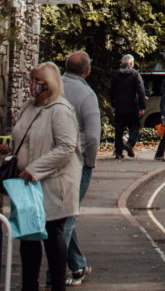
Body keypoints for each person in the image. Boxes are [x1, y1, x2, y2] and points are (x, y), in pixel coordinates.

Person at [12, 61, 83, 291]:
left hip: (52, 184)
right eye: (31, 80)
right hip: (27, 184)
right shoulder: (28, 106)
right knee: (28, 236)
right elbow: (22, 136)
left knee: (52, 235)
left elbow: (66, 147)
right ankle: (29, 286)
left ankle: (57, 285)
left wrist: (34, 170)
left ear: (49, 84)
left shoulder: (61, 110)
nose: (32, 85)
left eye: (37, 81)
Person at [60, 51, 100, 286]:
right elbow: (93, 136)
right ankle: (54, 273)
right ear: (86, 70)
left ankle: (77, 265)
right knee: (67, 217)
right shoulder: (86, 94)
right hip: (78, 161)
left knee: (62, 214)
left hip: (52, 161)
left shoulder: (53, 88)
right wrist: (90, 162)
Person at [109, 53, 146, 159]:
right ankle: (129, 144)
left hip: (119, 106)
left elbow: (111, 91)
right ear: (131, 63)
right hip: (132, 106)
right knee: (134, 127)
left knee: (119, 129)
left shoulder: (116, 75)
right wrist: (142, 106)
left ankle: (118, 152)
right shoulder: (135, 74)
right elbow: (141, 91)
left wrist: (113, 104)